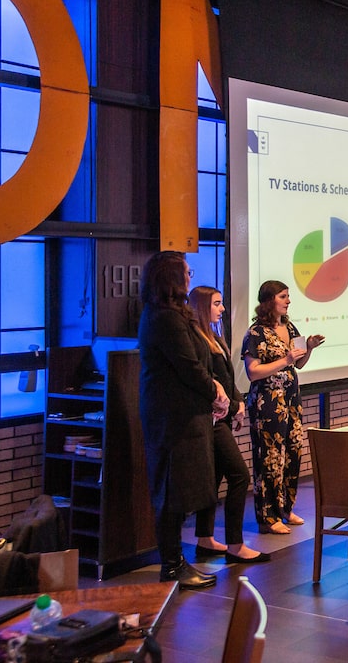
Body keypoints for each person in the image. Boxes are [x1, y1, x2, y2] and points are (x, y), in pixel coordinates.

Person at [137, 251, 225, 589]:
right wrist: (214, 392)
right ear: (173, 278)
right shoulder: (163, 318)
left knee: (180, 492)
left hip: (184, 415)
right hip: (172, 420)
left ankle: (177, 562)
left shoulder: (175, 315)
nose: (191, 276)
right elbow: (188, 367)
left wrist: (214, 387)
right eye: (186, 272)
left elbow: (197, 364)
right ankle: (172, 566)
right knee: (171, 494)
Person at [189, 286, 270, 564]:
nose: (222, 309)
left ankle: (205, 538)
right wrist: (231, 406)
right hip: (209, 420)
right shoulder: (197, 341)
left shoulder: (214, 337)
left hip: (221, 416)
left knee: (214, 477)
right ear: (202, 307)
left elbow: (227, 378)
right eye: (216, 304)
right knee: (239, 476)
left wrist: (237, 405)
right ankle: (235, 543)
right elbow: (207, 382)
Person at [242, 280, 325, 535]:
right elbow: (253, 372)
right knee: (269, 458)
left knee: (291, 453)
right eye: (283, 296)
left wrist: (308, 349)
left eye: (288, 296)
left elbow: (297, 364)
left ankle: (286, 508)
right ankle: (268, 517)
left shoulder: (288, 326)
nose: (288, 300)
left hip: (290, 400)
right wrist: (284, 359)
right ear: (269, 301)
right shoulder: (256, 332)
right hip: (267, 402)